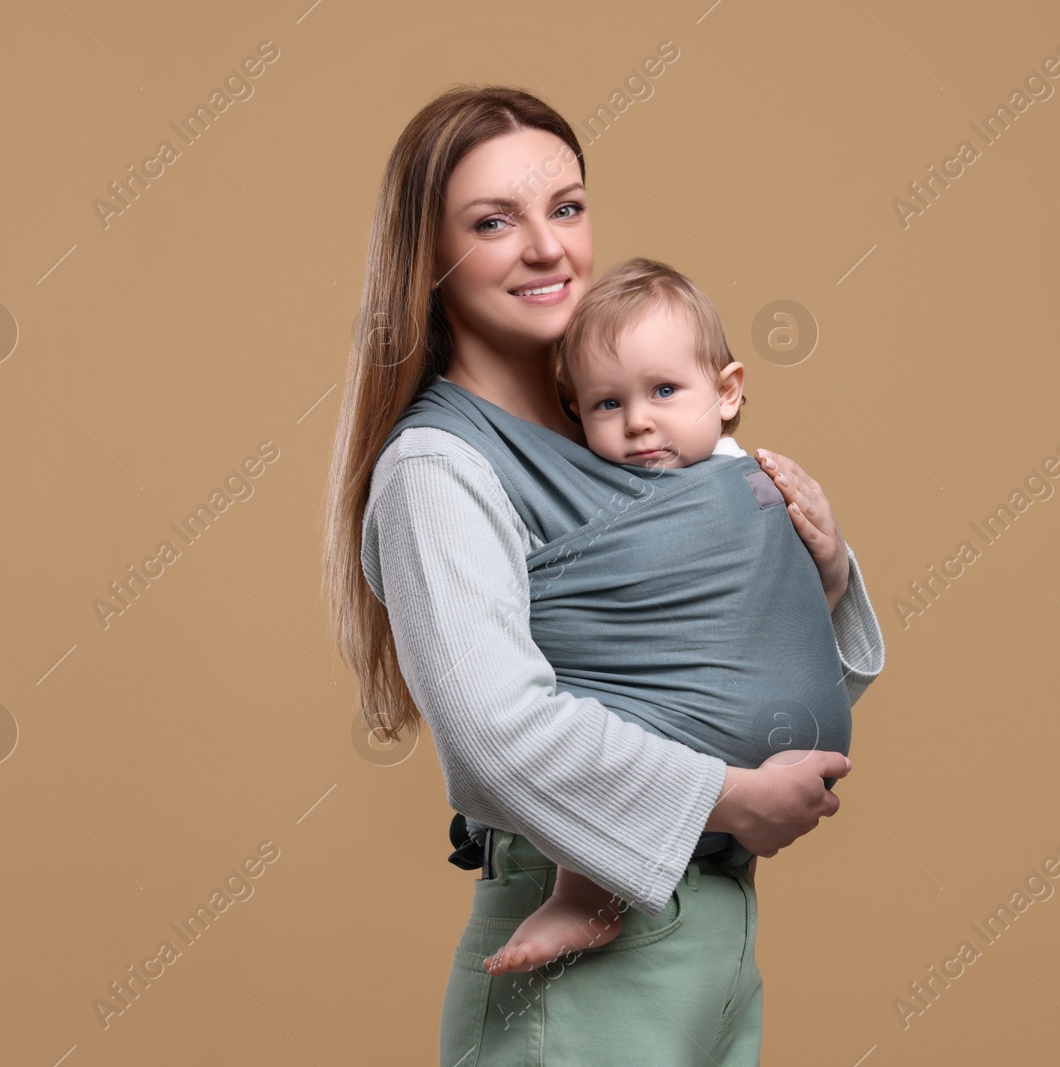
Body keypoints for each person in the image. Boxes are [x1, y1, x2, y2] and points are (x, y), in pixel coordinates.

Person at [323, 85, 885, 1066]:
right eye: (494, 222)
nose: (548, 248)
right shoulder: (439, 468)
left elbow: (716, 655)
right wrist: (727, 793)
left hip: (710, 933)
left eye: (566, 207)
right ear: (431, 259)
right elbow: (497, 736)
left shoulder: (620, 415)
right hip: (587, 953)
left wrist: (822, 571)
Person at [474, 254, 878, 979]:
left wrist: (831, 564)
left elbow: (768, 623)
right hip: (677, 746)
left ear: (726, 392)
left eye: (664, 390)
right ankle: (585, 890)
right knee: (597, 720)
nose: (638, 424)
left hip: (774, 770)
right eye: (606, 404)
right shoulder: (597, 499)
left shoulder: (752, 480)